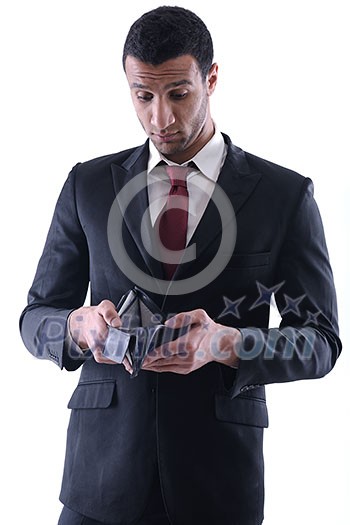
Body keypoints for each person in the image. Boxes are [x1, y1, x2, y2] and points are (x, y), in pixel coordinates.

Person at [20, 6, 341, 525]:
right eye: (142, 96)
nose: (159, 118)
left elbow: (321, 342)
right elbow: (36, 317)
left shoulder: (284, 196)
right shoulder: (88, 185)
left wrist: (228, 343)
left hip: (216, 485)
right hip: (98, 484)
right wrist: (76, 328)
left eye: (178, 94)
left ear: (211, 78)